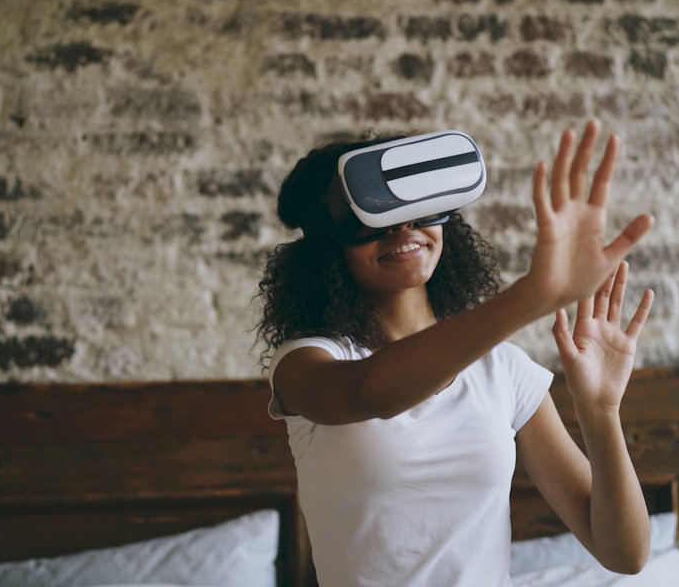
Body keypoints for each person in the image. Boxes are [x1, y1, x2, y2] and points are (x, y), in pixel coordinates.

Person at [255, 120, 656, 586]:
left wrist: (600, 411)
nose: (403, 226)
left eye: (419, 209)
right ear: (329, 243)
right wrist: (532, 295)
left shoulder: (504, 371)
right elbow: (371, 394)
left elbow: (624, 554)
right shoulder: (308, 363)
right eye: (374, 214)